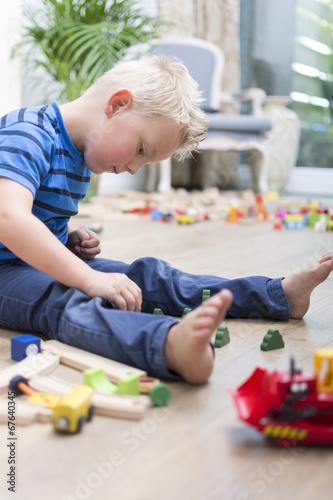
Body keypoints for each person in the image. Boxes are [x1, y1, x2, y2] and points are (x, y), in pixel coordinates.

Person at [0, 56, 332, 384]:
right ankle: (168, 345)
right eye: (141, 150)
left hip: (29, 263)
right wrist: (88, 280)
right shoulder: (29, 133)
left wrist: (65, 234)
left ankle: (276, 295)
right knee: (67, 299)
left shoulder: (76, 150)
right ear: (117, 105)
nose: (133, 168)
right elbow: (9, 218)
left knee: (151, 277)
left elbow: (31, 213)